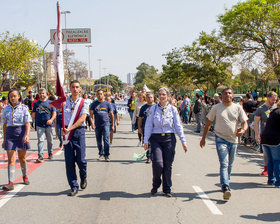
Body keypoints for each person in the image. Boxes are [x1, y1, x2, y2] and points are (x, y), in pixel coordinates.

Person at [200, 87, 248, 200]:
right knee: (224, 163)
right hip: (220, 139)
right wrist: (203, 138)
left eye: (230, 93)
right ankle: (225, 187)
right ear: (221, 96)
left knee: (230, 164)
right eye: (225, 93)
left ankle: (226, 180)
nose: (228, 95)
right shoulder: (216, 108)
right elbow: (208, 124)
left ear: (233, 95)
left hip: (234, 140)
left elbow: (244, 122)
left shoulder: (238, 108)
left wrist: (243, 130)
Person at [144, 87, 188, 197]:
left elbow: (178, 126)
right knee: (158, 164)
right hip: (156, 138)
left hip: (169, 138)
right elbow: (148, 125)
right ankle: (156, 184)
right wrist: (145, 140)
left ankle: (167, 189)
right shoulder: (153, 109)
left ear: (168, 96)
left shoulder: (172, 109)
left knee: (168, 165)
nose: (161, 96)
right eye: (160, 94)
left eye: (164, 94)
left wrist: (183, 141)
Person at [62, 80, 89, 196]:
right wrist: (61, 132)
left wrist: (71, 128)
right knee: (69, 161)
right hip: (66, 133)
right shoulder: (64, 102)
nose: (75, 89)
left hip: (78, 132)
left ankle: (83, 176)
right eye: (73, 87)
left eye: (77, 87)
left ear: (80, 88)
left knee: (81, 160)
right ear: (70, 88)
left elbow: (83, 118)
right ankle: (73, 186)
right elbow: (60, 119)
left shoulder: (84, 102)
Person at [2, 89, 32, 191]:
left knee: (22, 158)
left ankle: (24, 175)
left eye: (14, 96)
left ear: (19, 96)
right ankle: (10, 182)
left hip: (21, 133)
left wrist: (27, 135)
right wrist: (4, 138)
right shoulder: (5, 109)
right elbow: (5, 125)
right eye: (11, 96)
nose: (13, 98)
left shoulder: (24, 108)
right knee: (11, 159)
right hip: (10, 134)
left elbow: (27, 123)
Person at [254, 91, 278, 175]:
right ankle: (266, 168)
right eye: (272, 99)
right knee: (266, 153)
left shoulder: (276, 108)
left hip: (276, 134)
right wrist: (257, 135)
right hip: (265, 134)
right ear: (268, 98)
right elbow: (256, 123)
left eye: (275, 100)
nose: (274, 101)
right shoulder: (260, 109)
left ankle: (274, 170)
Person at [32, 88, 56, 162]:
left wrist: (51, 120)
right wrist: (32, 122)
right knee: (40, 140)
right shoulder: (36, 104)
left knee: (50, 140)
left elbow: (54, 113)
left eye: (43, 93)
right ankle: (40, 155)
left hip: (49, 125)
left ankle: (50, 153)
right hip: (39, 124)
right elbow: (33, 114)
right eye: (40, 93)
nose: (41, 95)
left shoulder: (51, 103)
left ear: (46, 94)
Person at [90, 89, 114, 162]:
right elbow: (90, 115)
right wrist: (92, 123)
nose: (100, 95)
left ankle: (107, 155)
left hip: (106, 124)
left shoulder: (107, 104)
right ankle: (101, 153)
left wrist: (112, 125)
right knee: (99, 141)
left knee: (106, 140)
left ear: (103, 95)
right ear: (96, 95)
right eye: (98, 94)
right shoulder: (93, 104)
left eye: (101, 94)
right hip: (97, 125)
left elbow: (112, 115)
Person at [261, 101, 280, 188]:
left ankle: (270, 179)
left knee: (270, 160)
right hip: (274, 139)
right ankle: (278, 182)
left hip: (265, 137)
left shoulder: (273, 111)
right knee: (277, 161)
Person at [138, 92, 155, 163]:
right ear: (146, 98)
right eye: (148, 97)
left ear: (153, 98)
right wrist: (139, 127)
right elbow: (140, 118)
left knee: (154, 143)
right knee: (147, 143)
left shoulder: (156, 107)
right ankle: (148, 156)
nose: (150, 99)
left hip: (155, 129)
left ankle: (153, 155)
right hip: (145, 128)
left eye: (151, 97)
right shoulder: (143, 107)